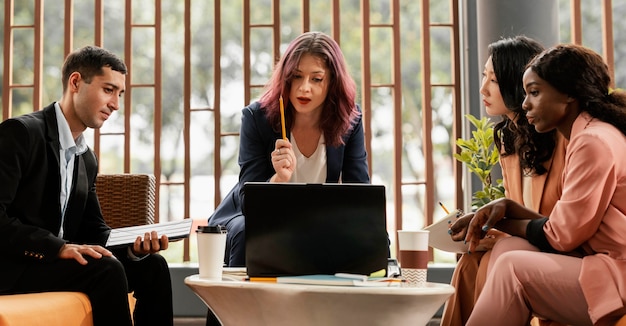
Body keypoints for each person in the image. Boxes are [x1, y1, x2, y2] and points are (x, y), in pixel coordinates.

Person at [451, 44, 626, 325]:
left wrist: (500, 219)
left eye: (534, 92)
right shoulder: (589, 135)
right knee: (508, 250)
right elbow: (565, 227)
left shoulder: (592, 142)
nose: (524, 104)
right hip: (600, 263)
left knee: (513, 267)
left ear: (569, 93)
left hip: (617, 275)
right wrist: (506, 209)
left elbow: (561, 236)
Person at [0, 45, 173, 326]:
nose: (116, 104)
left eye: (120, 94)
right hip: (13, 265)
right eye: (108, 90)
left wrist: (134, 250)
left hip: (51, 264)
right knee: (105, 270)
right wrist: (57, 247)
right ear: (76, 82)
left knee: (153, 266)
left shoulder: (86, 159)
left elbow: (94, 232)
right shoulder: (20, 134)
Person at [207, 31, 370, 268]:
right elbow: (248, 202)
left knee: (372, 234)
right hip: (253, 215)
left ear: (332, 82)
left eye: (316, 79)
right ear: (285, 78)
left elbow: (362, 195)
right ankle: (237, 304)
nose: (304, 88)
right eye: (296, 76)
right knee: (248, 230)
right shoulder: (256, 117)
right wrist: (278, 179)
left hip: (313, 217)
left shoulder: (348, 120)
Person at [441, 36, 567, 326]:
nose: (483, 88)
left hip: (561, 249)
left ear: (516, 82)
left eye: (493, 80)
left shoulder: (561, 140)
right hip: (529, 244)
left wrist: (501, 230)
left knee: (499, 255)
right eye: (484, 76)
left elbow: (560, 225)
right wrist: (489, 231)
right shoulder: (509, 142)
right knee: (470, 261)